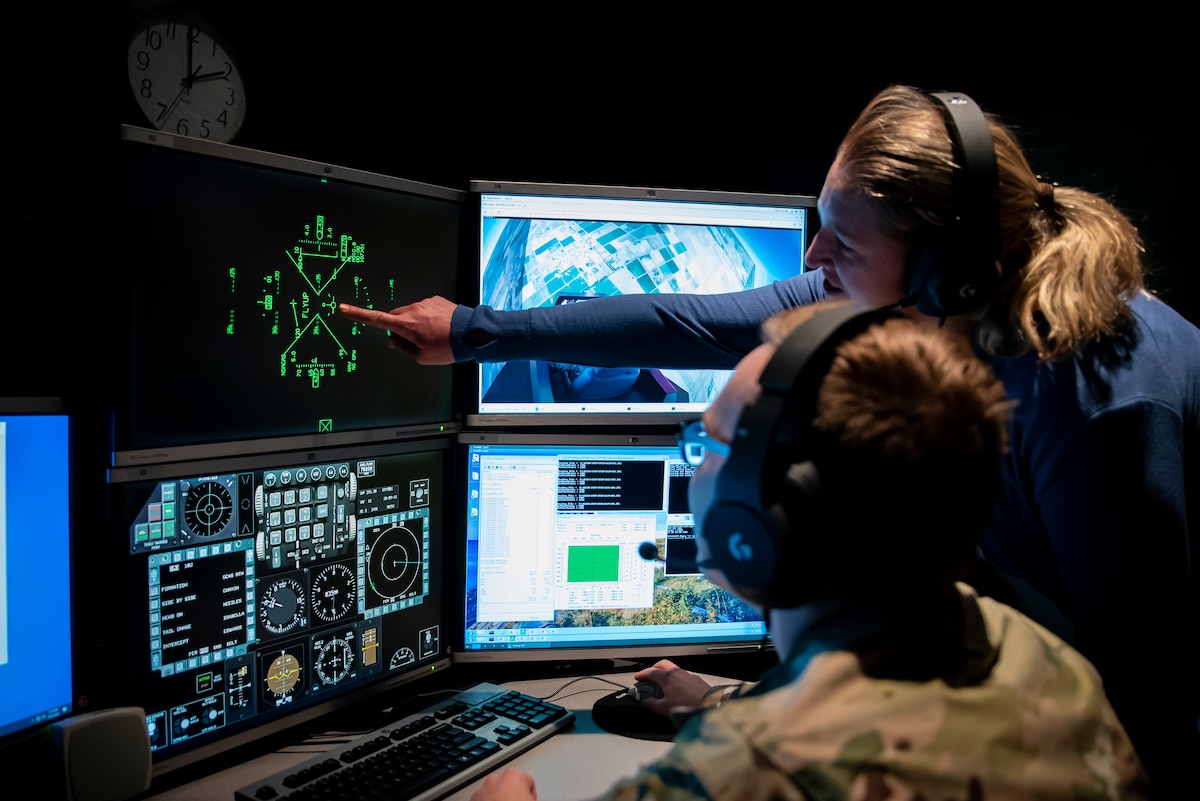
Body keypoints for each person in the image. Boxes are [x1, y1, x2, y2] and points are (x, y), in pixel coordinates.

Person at [341, 84, 1199, 789]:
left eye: (843, 239)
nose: (815, 253)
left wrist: (758, 754)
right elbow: (690, 320)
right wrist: (477, 330)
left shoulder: (1098, 400)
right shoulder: (914, 298)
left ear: (945, 270)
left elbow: (1146, 701)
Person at [470, 300, 1150, 800]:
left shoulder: (738, 773)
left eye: (706, 446)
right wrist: (712, 705)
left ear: (768, 512)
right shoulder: (1052, 666)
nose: (695, 470)